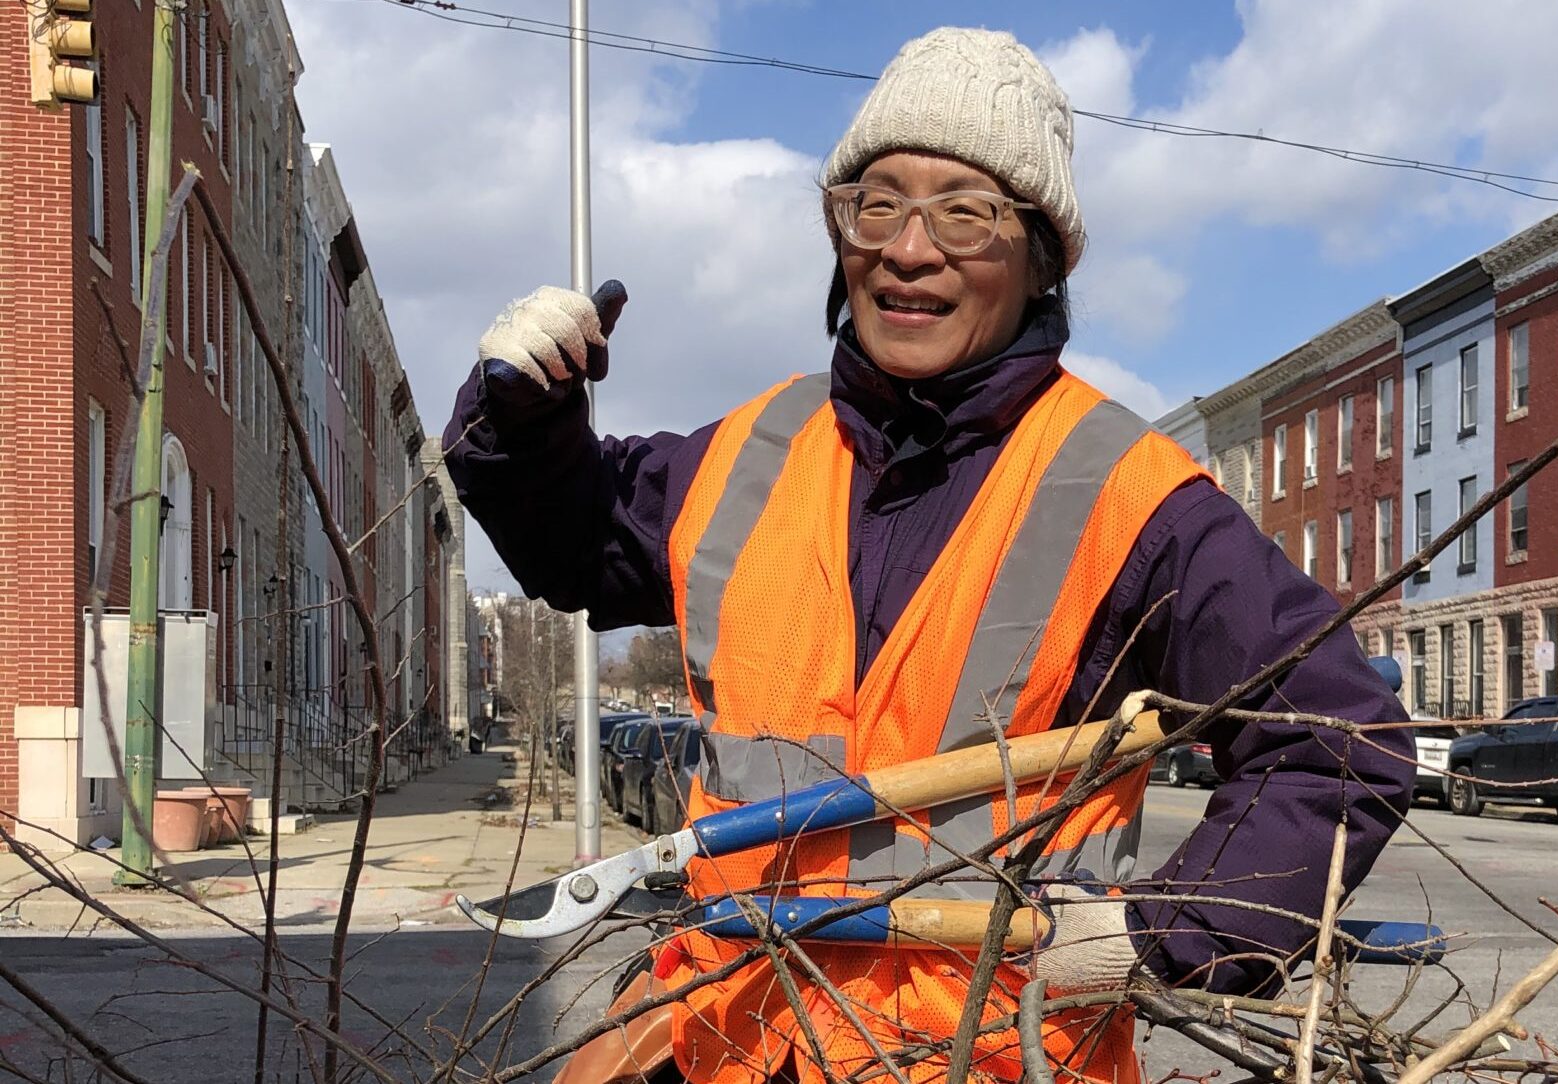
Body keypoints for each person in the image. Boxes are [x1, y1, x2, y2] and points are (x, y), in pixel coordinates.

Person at [444, 26, 1412, 1084]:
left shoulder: (1132, 497)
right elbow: (575, 539)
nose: (911, 248)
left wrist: (1158, 933)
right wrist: (525, 422)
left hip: (980, 1059)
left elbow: (1340, 740)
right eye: (877, 203)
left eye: (967, 212)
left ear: (1041, 255)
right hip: (735, 1045)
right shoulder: (743, 456)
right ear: (840, 230)